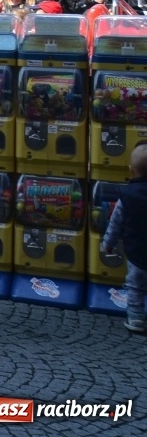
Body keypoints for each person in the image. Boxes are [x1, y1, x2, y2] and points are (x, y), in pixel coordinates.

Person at [99, 141, 147, 334]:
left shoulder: (127, 195)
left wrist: (107, 244)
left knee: (135, 287)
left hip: (136, 252)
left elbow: (115, 224)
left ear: (131, 170)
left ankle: (135, 318)